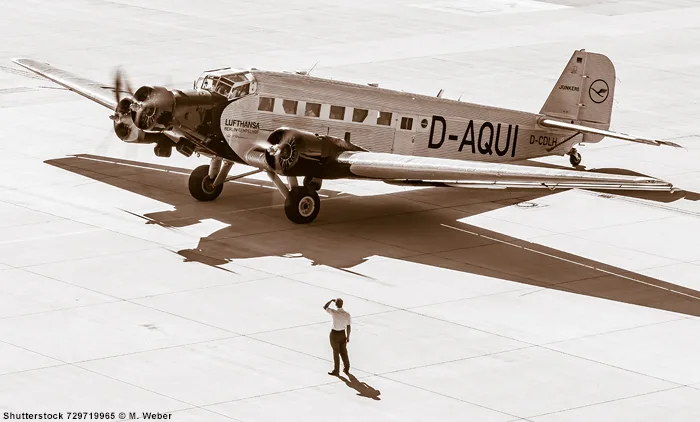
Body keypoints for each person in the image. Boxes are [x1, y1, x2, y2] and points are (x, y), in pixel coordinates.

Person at [323, 297, 351, 376]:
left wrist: (331, 301)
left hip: (334, 334)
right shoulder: (347, 314)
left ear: (336, 304)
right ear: (342, 304)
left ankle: (336, 370)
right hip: (343, 334)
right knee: (344, 352)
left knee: (336, 352)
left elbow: (325, 307)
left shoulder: (333, 312)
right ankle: (346, 368)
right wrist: (348, 336)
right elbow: (349, 326)